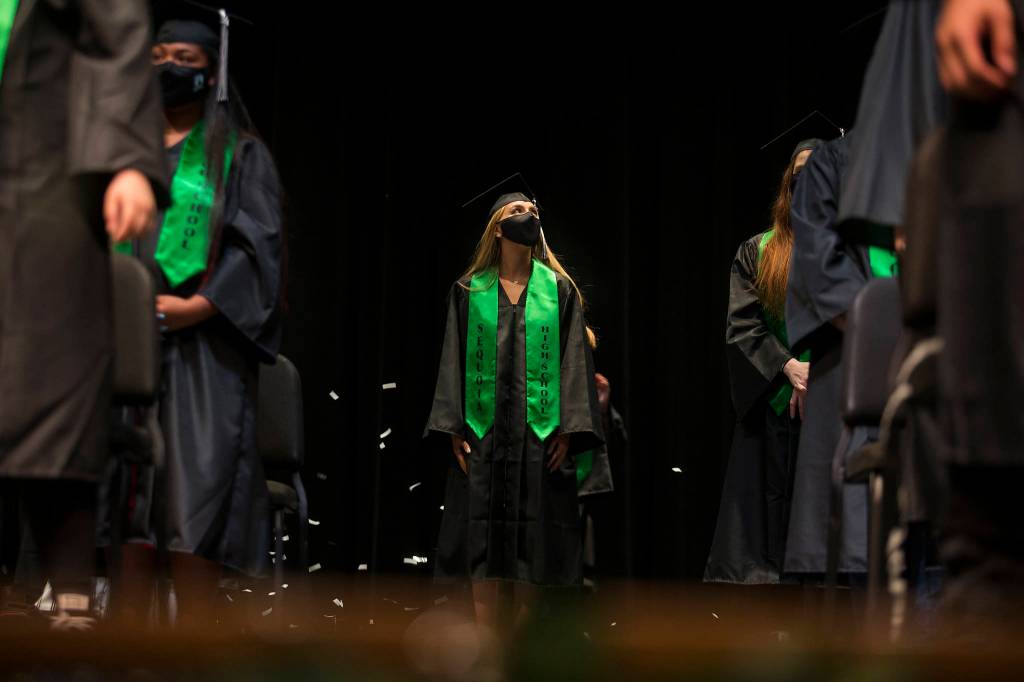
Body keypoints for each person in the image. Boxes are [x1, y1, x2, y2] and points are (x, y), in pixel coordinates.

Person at [109, 14, 285, 628]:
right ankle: (123, 653)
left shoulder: (238, 155)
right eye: (158, 54)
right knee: (125, 498)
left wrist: (199, 307)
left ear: (212, 70)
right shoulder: (124, 159)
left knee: (192, 498)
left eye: (185, 55)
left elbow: (255, 249)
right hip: (121, 353)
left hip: (203, 355)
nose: (169, 67)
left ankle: (194, 656)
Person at [0, 0, 167, 627]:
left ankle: (72, 601)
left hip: (46, 182)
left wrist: (127, 160)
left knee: (53, 390)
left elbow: (118, 29)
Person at [425, 185, 603, 632]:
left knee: (532, 546)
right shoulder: (469, 292)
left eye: (534, 209)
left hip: (539, 441)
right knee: (482, 543)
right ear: (498, 229)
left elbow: (572, 365)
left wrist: (567, 430)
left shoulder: (559, 292)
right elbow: (452, 360)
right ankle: (486, 645)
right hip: (482, 439)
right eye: (519, 210)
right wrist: (453, 428)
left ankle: (518, 648)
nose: (530, 214)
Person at [704, 140, 819, 584]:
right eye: (799, 173)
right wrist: (789, 367)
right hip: (772, 411)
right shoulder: (758, 251)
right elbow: (742, 327)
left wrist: (821, 376)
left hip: (829, 411)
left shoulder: (850, 254)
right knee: (764, 545)